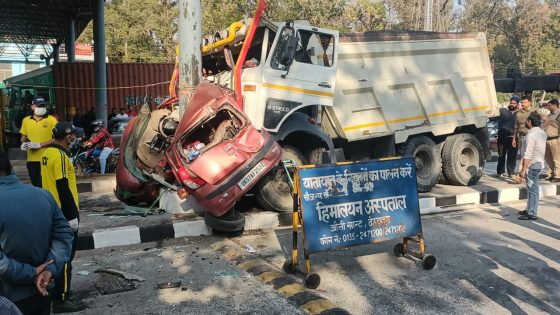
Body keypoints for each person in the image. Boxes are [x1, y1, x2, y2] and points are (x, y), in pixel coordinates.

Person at [0, 151, 73, 315]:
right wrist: (49, 270)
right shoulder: (43, 195)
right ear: (10, 167)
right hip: (43, 291)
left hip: (8, 301)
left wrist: (32, 273)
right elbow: (64, 236)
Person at [40, 122, 86, 313]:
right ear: (68, 137)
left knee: (52, 254)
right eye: (73, 135)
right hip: (63, 213)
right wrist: (71, 216)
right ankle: (62, 297)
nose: (75, 137)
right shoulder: (60, 155)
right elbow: (63, 187)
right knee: (66, 256)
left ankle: (52, 290)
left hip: (48, 210)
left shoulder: (46, 154)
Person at [19, 97, 58, 187]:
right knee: (36, 185)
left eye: (43, 106)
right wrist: (23, 143)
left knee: (47, 185)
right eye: (39, 106)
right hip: (32, 160)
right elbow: (23, 137)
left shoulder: (52, 120)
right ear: (33, 107)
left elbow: (56, 139)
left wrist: (39, 145)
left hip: (47, 159)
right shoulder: (26, 120)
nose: (42, 108)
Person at [518, 112, 547, 220]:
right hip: (538, 163)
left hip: (532, 164)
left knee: (533, 189)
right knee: (530, 188)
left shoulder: (531, 135)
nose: (525, 122)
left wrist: (523, 169)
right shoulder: (541, 132)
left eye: (526, 120)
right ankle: (529, 209)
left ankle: (531, 213)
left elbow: (528, 153)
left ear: (529, 122)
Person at [497, 96, 519, 178]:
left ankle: (511, 172)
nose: (512, 105)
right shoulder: (502, 111)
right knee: (501, 154)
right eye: (511, 103)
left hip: (514, 138)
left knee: (512, 156)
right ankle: (500, 171)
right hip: (502, 138)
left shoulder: (519, 113)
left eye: (514, 103)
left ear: (517, 104)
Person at [512, 95, 534, 162]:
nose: (523, 104)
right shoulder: (518, 113)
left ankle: (530, 171)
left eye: (525, 102)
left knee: (530, 155)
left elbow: (545, 120)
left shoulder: (534, 111)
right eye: (522, 102)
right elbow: (516, 126)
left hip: (530, 136)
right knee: (522, 155)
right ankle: (524, 171)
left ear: (530, 103)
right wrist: (514, 139)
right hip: (521, 136)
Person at [543, 99, 560, 182]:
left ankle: (558, 175)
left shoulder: (559, 114)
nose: (547, 107)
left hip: (555, 139)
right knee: (548, 158)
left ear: (555, 105)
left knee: (556, 158)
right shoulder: (549, 115)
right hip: (547, 139)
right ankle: (550, 174)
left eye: (549, 105)